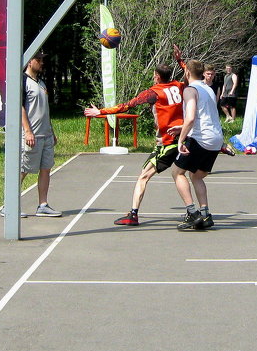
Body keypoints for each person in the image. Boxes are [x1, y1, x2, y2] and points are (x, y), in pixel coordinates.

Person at [86, 64, 185, 226]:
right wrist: (181, 61)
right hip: (183, 139)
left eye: (154, 75)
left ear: (158, 77)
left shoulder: (153, 93)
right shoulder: (179, 86)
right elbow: (192, 74)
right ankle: (198, 211)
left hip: (167, 143)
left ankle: (133, 215)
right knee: (189, 175)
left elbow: (127, 105)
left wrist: (101, 112)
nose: (154, 77)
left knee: (144, 177)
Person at [173, 58, 225, 231]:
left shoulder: (190, 89)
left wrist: (181, 138)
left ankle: (193, 214)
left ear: (187, 72)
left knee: (177, 173)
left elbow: (191, 117)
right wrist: (182, 128)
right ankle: (206, 214)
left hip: (201, 139)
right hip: (215, 138)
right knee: (196, 176)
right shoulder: (208, 89)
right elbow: (206, 116)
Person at [21, 50, 61, 217]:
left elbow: (44, 110)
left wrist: (51, 131)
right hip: (32, 136)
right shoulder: (23, 81)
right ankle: (8, 204)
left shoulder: (41, 83)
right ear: (30, 61)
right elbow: (19, 107)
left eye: (42, 59)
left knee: (46, 168)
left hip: (45, 135)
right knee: (23, 169)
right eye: (38, 59)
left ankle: (43, 205)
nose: (41, 62)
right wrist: (28, 131)